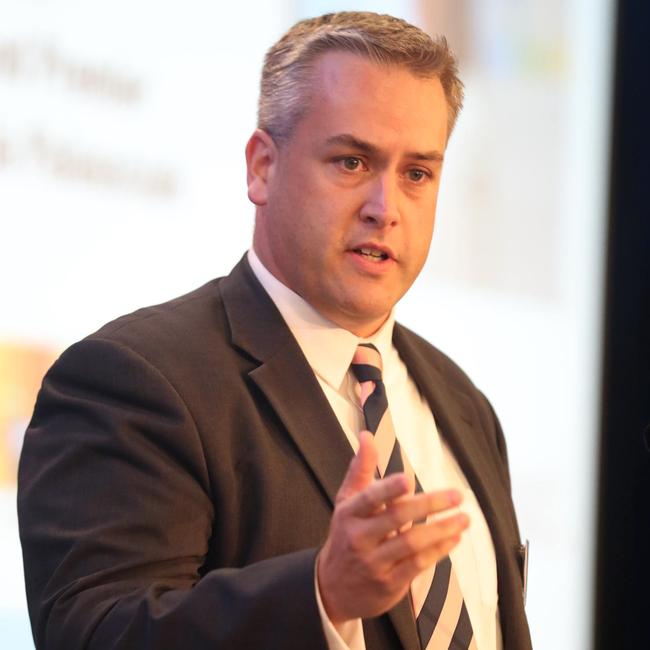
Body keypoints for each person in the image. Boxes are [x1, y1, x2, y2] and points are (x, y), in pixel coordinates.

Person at [18, 11, 532, 650]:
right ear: (262, 167)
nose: (386, 207)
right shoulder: (133, 380)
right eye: (351, 161)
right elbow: (93, 636)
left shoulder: (462, 404)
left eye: (417, 174)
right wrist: (321, 595)